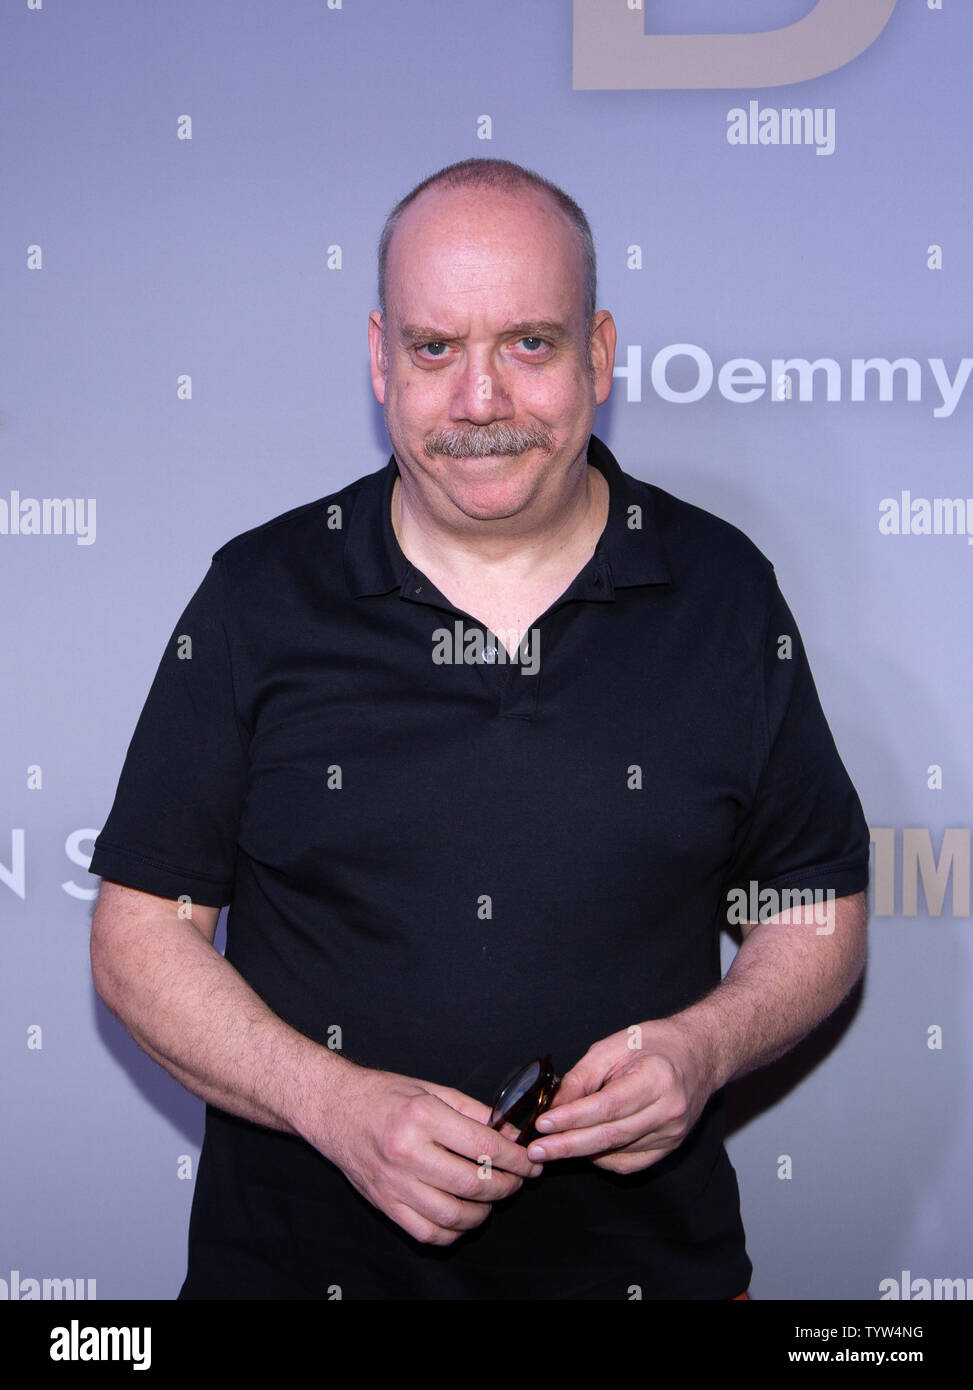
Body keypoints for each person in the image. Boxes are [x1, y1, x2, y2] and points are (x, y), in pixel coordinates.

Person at [89, 157, 869, 1300]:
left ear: (600, 355)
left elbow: (815, 906)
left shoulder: (722, 593)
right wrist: (334, 1105)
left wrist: (705, 1050)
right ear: (378, 360)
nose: (480, 401)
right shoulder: (258, 597)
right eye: (435, 349)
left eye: (529, 344)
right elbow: (138, 934)